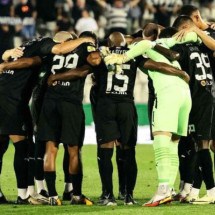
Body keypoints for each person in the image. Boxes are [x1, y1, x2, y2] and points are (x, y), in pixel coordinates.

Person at [105, 36, 192, 206]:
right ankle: (170, 189)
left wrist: (123, 57)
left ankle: (162, 190)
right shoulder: (163, 45)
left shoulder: (141, 45)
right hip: (184, 93)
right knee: (174, 143)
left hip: (168, 92)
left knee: (161, 142)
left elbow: (144, 44)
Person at [37, 31, 99, 206]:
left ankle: (52, 196)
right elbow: (95, 60)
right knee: (73, 150)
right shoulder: (82, 49)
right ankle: (76, 195)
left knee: (50, 150)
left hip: (50, 103)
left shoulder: (51, 52)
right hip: (70, 104)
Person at [172, 15, 215, 204]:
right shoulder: (203, 44)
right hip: (208, 96)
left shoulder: (180, 47)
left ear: (183, 28)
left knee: (202, 145)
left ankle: (212, 191)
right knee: (200, 145)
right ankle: (195, 190)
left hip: (198, 100)